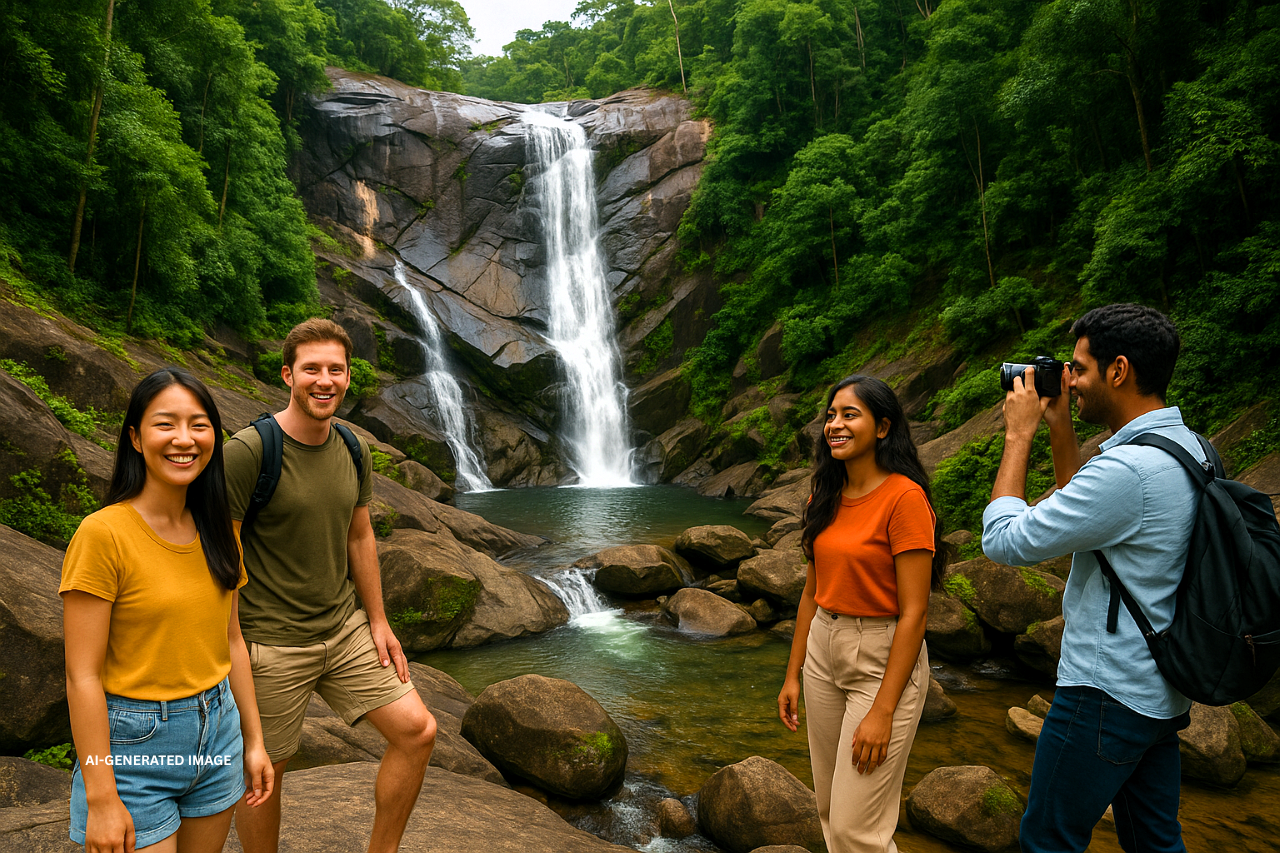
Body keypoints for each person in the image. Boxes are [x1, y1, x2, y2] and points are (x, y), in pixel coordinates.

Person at [982, 303, 1198, 853]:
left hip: (1105, 692)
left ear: (1118, 370)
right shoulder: (1188, 449)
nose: (1068, 379)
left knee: (1048, 839)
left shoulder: (1128, 471)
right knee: (1154, 842)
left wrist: (1018, 434)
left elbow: (1004, 540)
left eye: (1078, 368)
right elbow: (1089, 518)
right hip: (1160, 692)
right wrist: (1059, 427)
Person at [224, 319, 436, 853]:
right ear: (287, 374)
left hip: (344, 630)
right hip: (270, 640)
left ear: (347, 378)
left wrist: (379, 621)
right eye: (312, 369)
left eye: (335, 370)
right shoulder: (249, 452)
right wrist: (231, 650)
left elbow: (360, 536)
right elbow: (222, 555)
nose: (325, 380)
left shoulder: (352, 447)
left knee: (418, 732)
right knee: (265, 773)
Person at [61, 368, 273, 853]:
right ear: (135, 437)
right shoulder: (103, 535)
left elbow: (231, 640)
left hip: (219, 731)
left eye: (199, 425)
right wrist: (100, 798)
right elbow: (83, 678)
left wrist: (254, 740)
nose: (184, 439)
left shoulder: (218, 529)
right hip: (134, 749)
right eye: (165, 424)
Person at [777, 375, 945, 853]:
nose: (835, 424)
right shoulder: (823, 496)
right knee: (830, 813)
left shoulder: (904, 499)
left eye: (850, 415)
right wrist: (794, 675)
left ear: (883, 427)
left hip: (880, 658)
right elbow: (812, 592)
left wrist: (883, 712)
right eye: (831, 415)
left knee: (859, 831)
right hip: (823, 653)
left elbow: (915, 613)